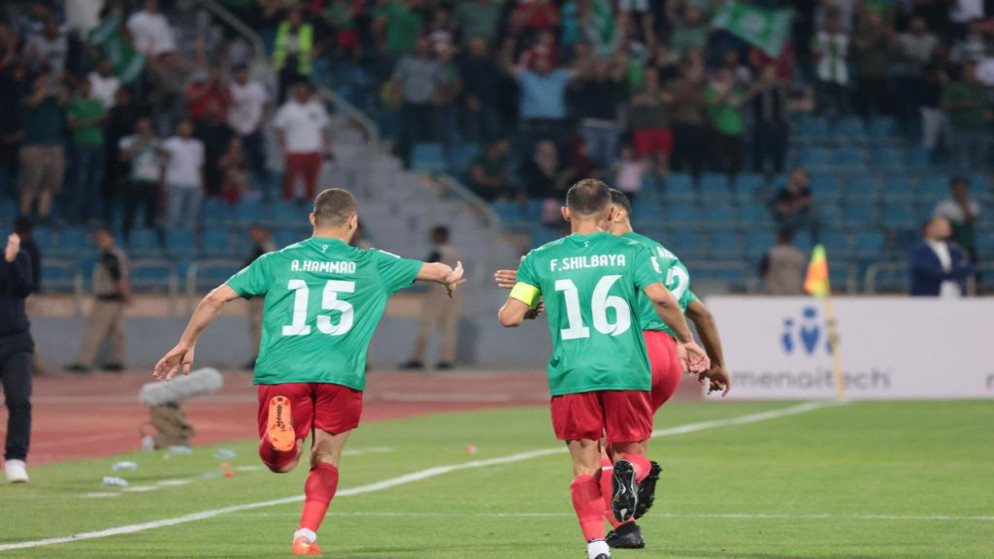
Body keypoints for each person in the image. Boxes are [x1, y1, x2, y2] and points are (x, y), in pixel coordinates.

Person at [152, 188, 465, 556]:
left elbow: (215, 297)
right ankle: (305, 535)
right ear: (353, 222)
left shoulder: (276, 261)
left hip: (283, 371)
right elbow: (438, 270)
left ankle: (278, 441)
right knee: (326, 456)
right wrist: (449, 278)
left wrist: (186, 342)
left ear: (313, 219)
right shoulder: (375, 263)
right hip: (340, 374)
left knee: (282, 464)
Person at [493, 188, 729, 550]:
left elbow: (514, 314)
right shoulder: (652, 254)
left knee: (592, 457)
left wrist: (536, 285)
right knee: (629, 448)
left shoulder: (544, 257)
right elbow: (688, 308)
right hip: (644, 356)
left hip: (591, 362)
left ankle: (604, 538)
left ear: (567, 213)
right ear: (607, 212)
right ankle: (628, 509)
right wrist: (694, 346)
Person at [66, 229, 131, 373]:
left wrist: (126, 294)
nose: (99, 241)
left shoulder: (110, 256)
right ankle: (117, 361)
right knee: (117, 332)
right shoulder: (117, 254)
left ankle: (84, 361)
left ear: (111, 238)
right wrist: (125, 295)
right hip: (115, 298)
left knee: (94, 330)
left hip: (106, 299)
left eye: (103, 238)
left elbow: (118, 277)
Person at [400, 226, 463, 370]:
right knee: (449, 328)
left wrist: (408, 279)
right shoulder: (457, 251)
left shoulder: (438, 251)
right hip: (454, 290)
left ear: (440, 236)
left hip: (437, 290)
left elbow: (425, 268)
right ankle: (446, 359)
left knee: (425, 325)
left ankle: (417, 358)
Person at [1, 231, 35, 483]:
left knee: (19, 400)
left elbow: (24, 289)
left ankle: (15, 459)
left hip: (16, 341)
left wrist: (10, 261)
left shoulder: (19, 257)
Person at [19, 74, 68, 222]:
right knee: (31, 182)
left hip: (54, 146)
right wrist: (45, 87)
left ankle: (43, 214)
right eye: (41, 80)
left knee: (50, 183)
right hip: (34, 146)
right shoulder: (26, 98)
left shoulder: (54, 101)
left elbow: (66, 98)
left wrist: (58, 84)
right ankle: (24, 214)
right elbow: (34, 101)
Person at [274, 83, 331, 202]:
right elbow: (280, 130)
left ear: (309, 93)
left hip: (313, 150)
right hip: (295, 150)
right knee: (290, 180)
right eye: (299, 93)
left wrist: (327, 147)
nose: (302, 95)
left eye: (305, 92)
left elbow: (323, 129)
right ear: (296, 94)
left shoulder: (317, 108)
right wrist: (284, 147)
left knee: (311, 181)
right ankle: (286, 202)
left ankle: (309, 203)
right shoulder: (287, 109)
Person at [66, 78, 108, 224]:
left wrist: (85, 122)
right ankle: (74, 214)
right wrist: (93, 121)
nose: (87, 89)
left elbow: (104, 119)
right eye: (84, 86)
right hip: (81, 144)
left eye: (89, 86)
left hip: (98, 144)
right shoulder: (75, 103)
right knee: (80, 180)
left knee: (95, 182)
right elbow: (72, 124)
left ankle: (92, 215)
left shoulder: (97, 103)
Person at [942, 60, 992, 172]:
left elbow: (990, 105)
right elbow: (944, 106)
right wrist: (961, 104)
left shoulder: (985, 88)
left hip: (982, 129)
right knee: (962, 162)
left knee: (981, 162)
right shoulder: (954, 86)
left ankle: (980, 181)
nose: (971, 72)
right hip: (961, 130)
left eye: (974, 70)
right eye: (968, 70)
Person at [118, 117, 163, 241]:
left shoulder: (156, 140)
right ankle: (125, 237)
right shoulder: (128, 140)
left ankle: (148, 238)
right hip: (136, 179)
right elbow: (123, 157)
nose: (144, 126)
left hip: (153, 180)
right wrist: (143, 141)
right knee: (130, 210)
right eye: (142, 123)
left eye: (146, 124)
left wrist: (155, 142)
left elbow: (164, 156)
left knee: (152, 212)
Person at [227, 64, 270, 191]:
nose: (242, 76)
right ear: (235, 75)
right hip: (237, 130)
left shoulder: (257, 87)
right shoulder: (231, 89)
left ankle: (262, 187)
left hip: (254, 128)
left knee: (259, 158)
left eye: (244, 73)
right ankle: (241, 188)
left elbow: (266, 104)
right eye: (239, 73)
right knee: (240, 160)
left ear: (248, 73)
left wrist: (262, 120)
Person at [910, 217, 974, 297]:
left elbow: (968, 266)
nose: (947, 229)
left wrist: (947, 272)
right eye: (943, 227)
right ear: (930, 228)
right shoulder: (920, 249)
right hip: (929, 295)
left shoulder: (954, 249)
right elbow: (926, 270)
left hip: (955, 293)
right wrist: (952, 272)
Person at [242, 225, 276, 370]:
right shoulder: (256, 249)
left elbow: (273, 266)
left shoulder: (267, 248)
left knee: (260, 328)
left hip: (263, 296)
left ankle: (261, 358)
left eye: (256, 233)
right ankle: (257, 357)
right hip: (255, 295)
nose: (253, 236)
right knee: (255, 328)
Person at [161, 120, 206, 229]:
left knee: (192, 216)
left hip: (194, 183)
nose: (185, 129)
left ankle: (188, 236)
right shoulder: (169, 143)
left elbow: (199, 166)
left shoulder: (198, 145)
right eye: (182, 127)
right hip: (175, 182)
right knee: (173, 214)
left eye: (187, 127)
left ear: (192, 129)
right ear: (177, 129)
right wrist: (163, 183)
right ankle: (171, 236)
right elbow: (163, 165)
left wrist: (202, 184)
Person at [934, 176, 981, 264]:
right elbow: (937, 224)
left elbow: (972, 220)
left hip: (967, 244)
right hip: (949, 243)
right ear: (953, 189)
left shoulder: (972, 204)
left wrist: (964, 205)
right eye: (958, 189)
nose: (961, 192)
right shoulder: (944, 205)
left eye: (963, 189)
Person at [774, 168, 821, 242]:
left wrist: (796, 205)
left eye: (803, 176)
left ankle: (816, 243)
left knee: (815, 219)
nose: (801, 178)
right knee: (787, 223)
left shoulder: (806, 190)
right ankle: (788, 243)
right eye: (799, 175)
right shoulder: (783, 192)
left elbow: (809, 203)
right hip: (789, 218)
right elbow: (782, 209)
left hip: (804, 216)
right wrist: (798, 205)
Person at [760, 229, 807, 295]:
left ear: (779, 237)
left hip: (775, 292)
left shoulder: (771, 254)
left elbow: (762, 272)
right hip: (794, 291)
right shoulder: (799, 254)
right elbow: (805, 274)